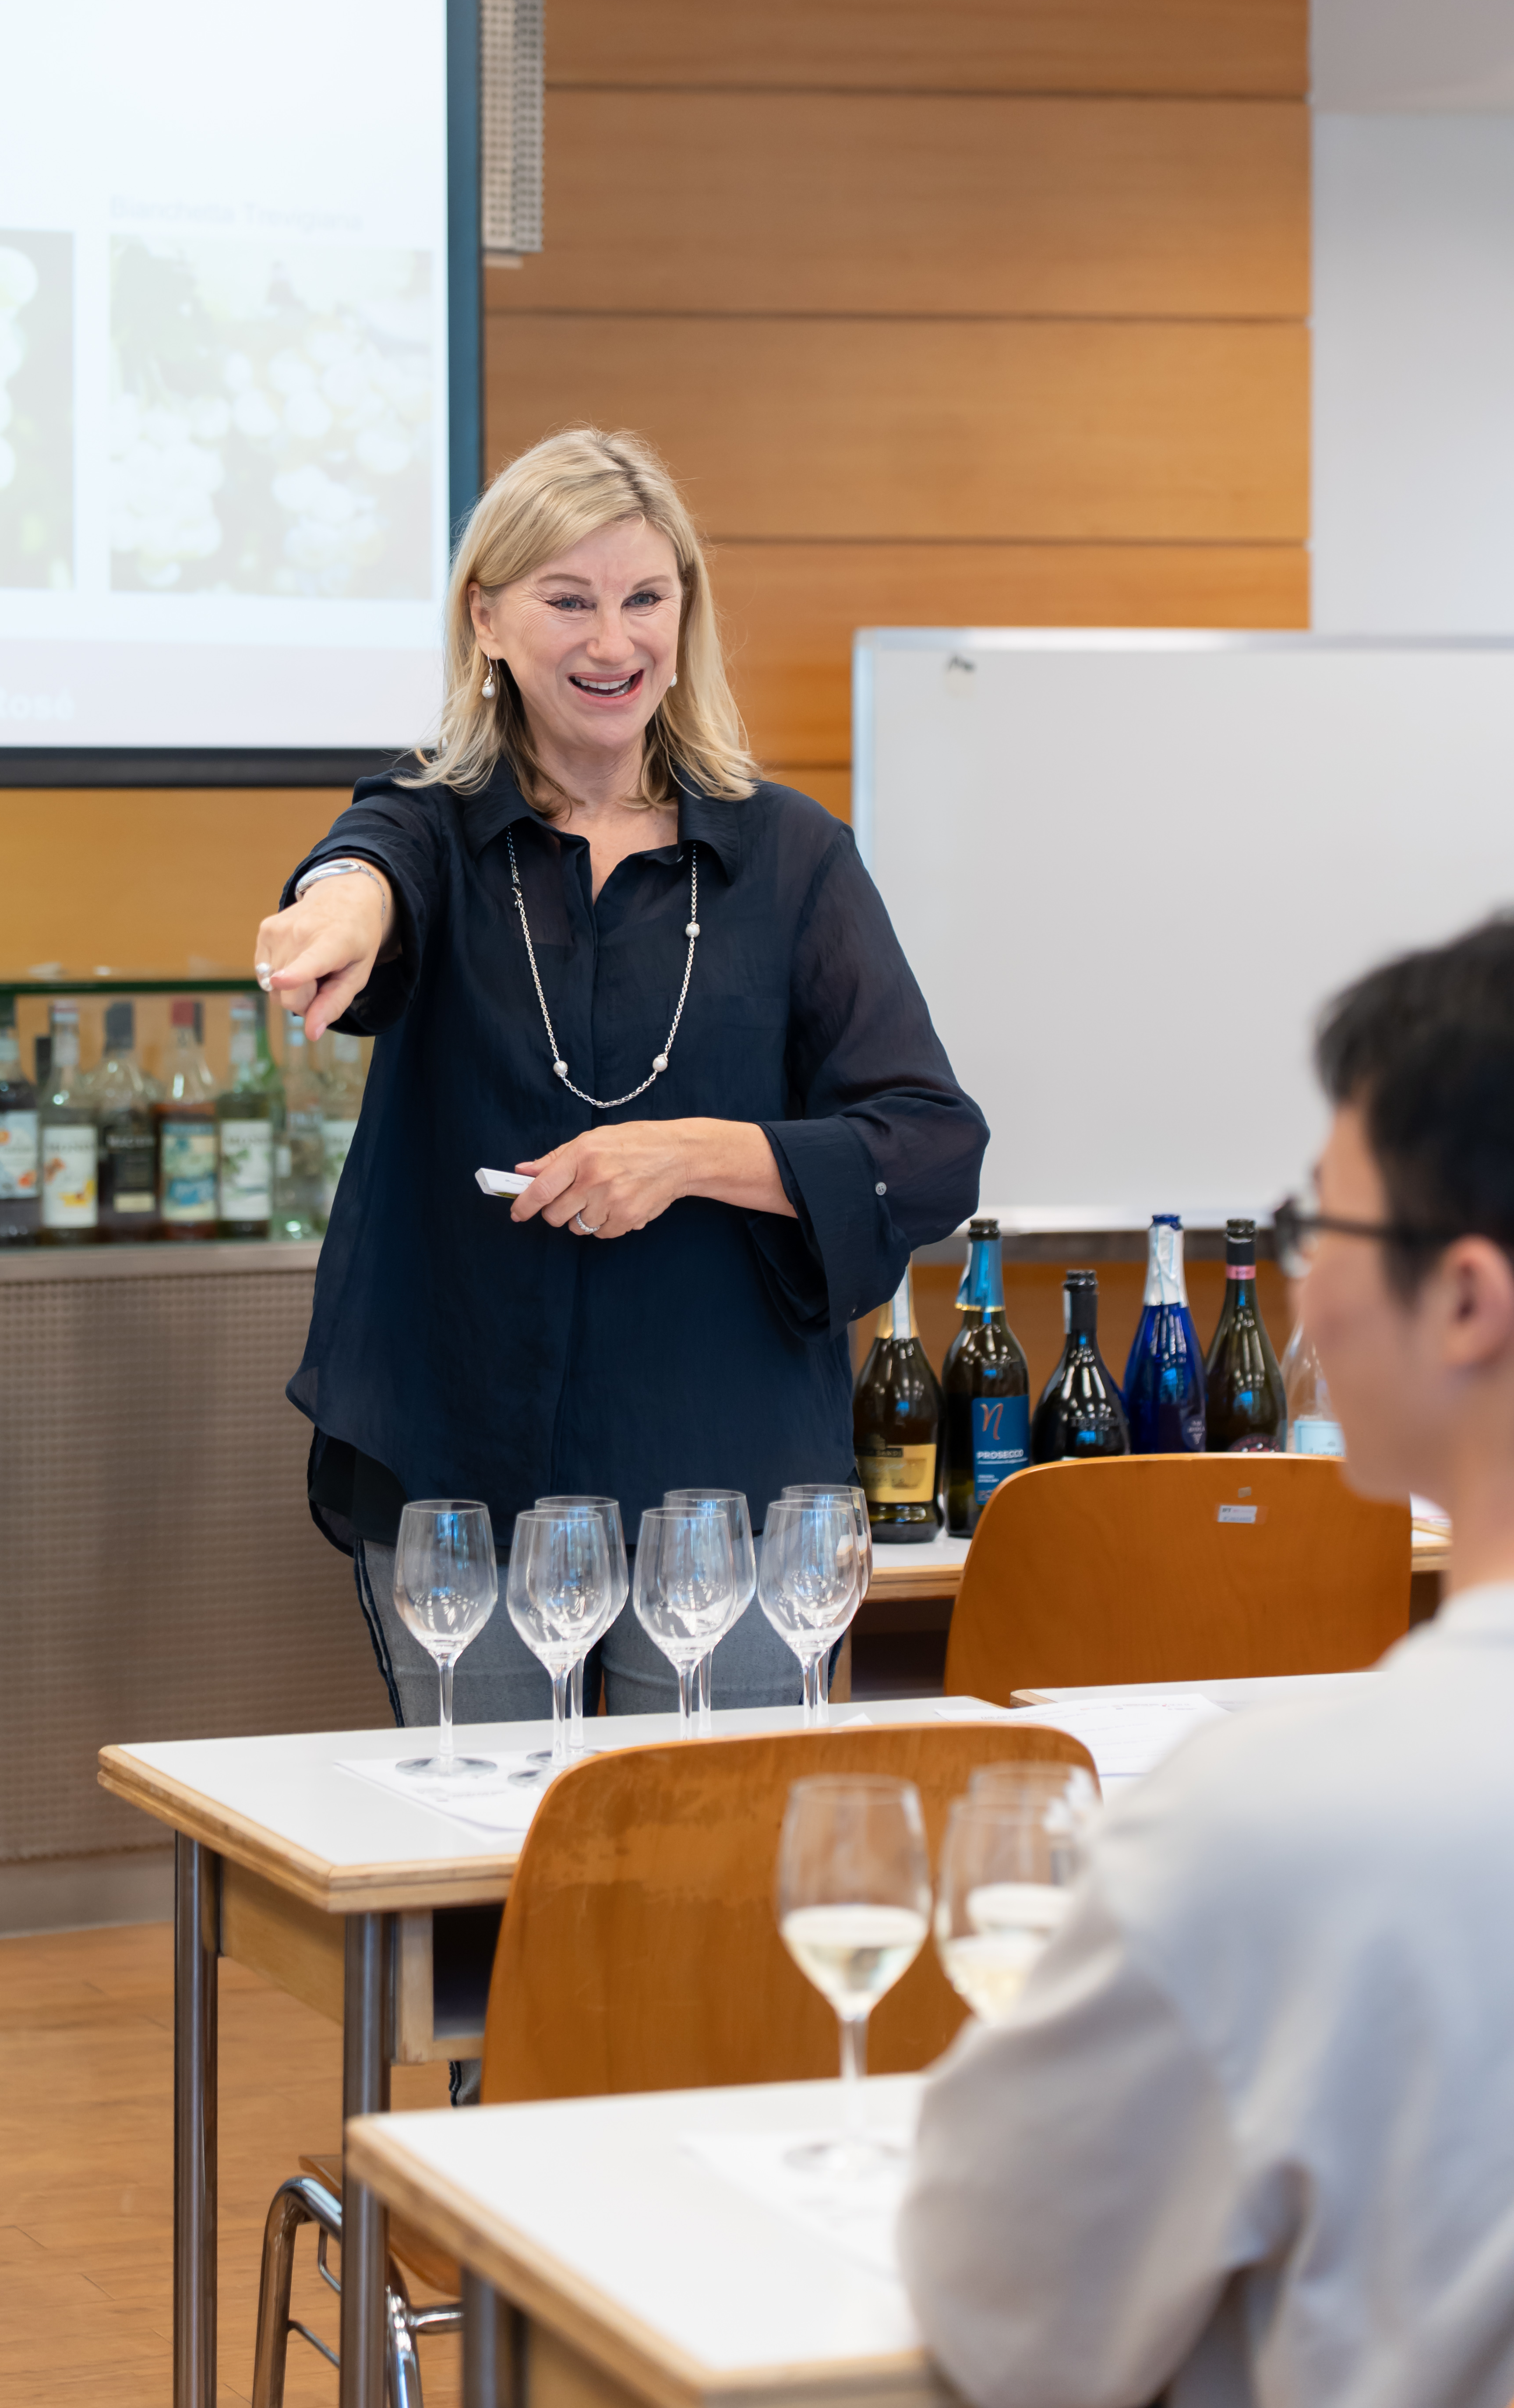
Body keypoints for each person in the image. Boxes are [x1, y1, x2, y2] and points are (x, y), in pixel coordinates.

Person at [254, 427, 985, 1720]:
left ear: (684, 618)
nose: (613, 641)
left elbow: (932, 1146)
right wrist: (341, 905)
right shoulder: (432, 829)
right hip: (460, 1463)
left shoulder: (792, 857)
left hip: (727, 1476)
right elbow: (368, 865)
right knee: (486, 1840)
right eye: (568, 601)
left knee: (711, 1841)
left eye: (646, 598)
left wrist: (693, 1155)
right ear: (487, 620)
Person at [900, 914, 1514, 2408]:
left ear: (1464, 1303)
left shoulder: (1273, 1828)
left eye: (1321, 1228)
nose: (1307, 1288)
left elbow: (1005, 2303)